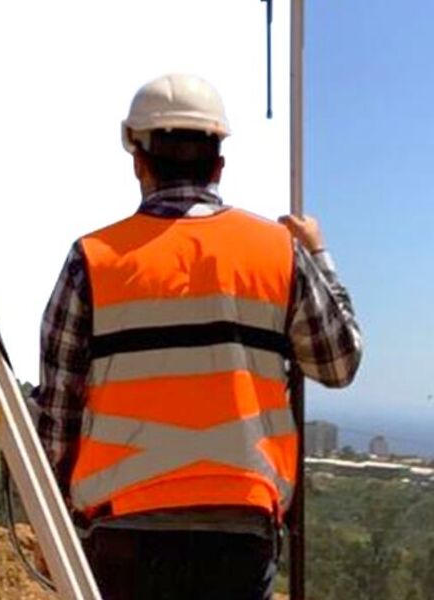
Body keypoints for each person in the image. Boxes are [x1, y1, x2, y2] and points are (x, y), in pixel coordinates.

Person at [31, 74, 362, 599]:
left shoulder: (92, 259)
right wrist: (319, 257)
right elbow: (339, 362)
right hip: (240, 532)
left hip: (123, 531)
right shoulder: (277, 252)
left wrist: (49, 518)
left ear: (138, 161)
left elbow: (57, 417)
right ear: (218, 164)